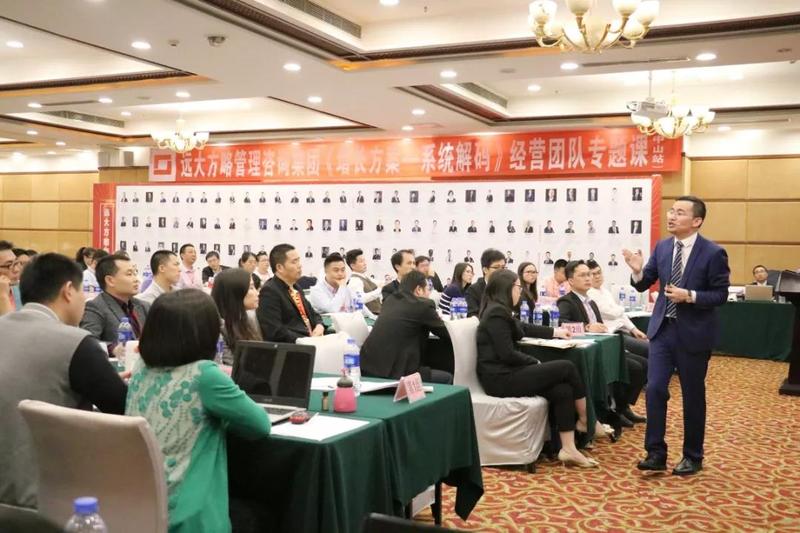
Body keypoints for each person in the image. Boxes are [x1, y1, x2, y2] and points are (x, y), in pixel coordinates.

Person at [126, 289, 270, 533]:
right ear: (205, 333)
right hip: (190, 515)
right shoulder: (204, 375)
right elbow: (260, 426)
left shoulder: (140, 367)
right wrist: (223, 418)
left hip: (140, 505)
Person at [0, 253, 127, 508]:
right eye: (82, 292)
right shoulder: (75, 342)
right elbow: (124, 406)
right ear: (68, 291)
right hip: (43, 502)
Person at [623, 196, 730, 475]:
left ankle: (693, 455)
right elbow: (644, 283)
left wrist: (690, 296)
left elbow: (720, 295)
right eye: (671, 211)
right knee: (655, 389)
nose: (671, 216)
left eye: (680, 212)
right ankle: (655, 452)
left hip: (694, 333)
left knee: (692, 395)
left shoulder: (713, 253)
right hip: (662, 330)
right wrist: (637, 271)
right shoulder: (663, 246)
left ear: (696, 221)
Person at [475, 269, 600, 467]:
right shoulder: (496, 313)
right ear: (506, 289)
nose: (520, 292)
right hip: (499, 379)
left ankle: (568, 449)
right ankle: (586, 420)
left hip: (507, 373)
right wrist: (535, 363)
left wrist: (556, 331)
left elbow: (524, 328)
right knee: (567, 367)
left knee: (562, 389)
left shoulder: (500, 310)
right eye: (518, 287)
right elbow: (507, 354)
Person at [557, 260, 647, 429]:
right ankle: (612, 411)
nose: (588, 278)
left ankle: (622, 407)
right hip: (589, 354)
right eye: (582, 275)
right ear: (570, 281)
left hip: (604, 348)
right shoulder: (566, 301)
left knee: (643, 365)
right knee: (633, 367)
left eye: (589, 274)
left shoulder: (591, 302)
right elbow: (561, 323)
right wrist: (587, 327)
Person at [361, 271, 453, 383]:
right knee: (447, 377)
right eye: (428, 289)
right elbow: (447, 333)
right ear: (419, 289)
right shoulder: (423, 305)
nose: (429, 294)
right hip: (398, 373)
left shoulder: (390, 300)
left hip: (367, 368)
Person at [257, 244, 324, 342]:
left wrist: (319, 326)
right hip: (294, 346)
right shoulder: (270, 291)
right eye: (294, 262)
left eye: (299, 261)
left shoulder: (296, 287)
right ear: (279, 267)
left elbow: (314, 315)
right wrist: (305, 340)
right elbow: (275, 331)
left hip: (312, 341)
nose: (299, 265)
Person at [80, 254, 149, 344]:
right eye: (129, 274)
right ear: (110, 280)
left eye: (135, 273)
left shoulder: (144, 306)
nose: (136, 279)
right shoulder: (95, 307)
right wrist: (114, 348)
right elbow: (88, 343)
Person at [586, 260, 649, 357]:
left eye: (599, 272)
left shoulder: (605, 291)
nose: (597, 276)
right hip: (613, 334)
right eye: (593, 274)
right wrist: (621, 309)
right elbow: (611, 313)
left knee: (651, 347)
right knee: (650, 349)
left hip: (624, 330)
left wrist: (634, 330)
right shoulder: (589, 294)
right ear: (587, 277)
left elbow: (620, 314)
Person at [211, 268, 262, 364]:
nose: (257, 293)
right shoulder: (218, 329)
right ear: (236, 293)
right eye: (251, 288)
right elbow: (226, 366)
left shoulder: (248, 318)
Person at [466, 248, 505, 317]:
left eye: (503, 267)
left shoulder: (507, 288)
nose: (501, 271)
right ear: (485, 270)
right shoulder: (473, 290)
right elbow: (473, 315)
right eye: (496, 267)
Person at [346, 249, 382, 315]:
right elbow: (360, 300)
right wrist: (380, 290)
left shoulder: (364, 277)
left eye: (364, 260)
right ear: (352, 265)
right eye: (361, 261)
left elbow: (379, 283)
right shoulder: (355, 281)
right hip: (370, 317)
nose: (365, 263)